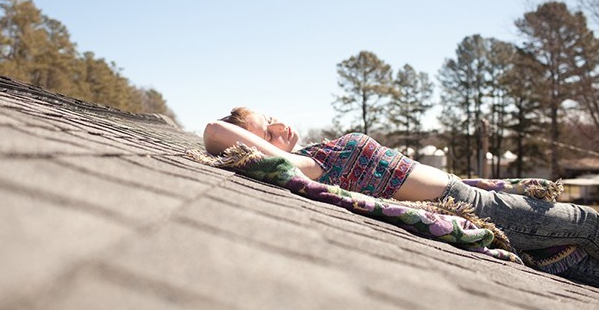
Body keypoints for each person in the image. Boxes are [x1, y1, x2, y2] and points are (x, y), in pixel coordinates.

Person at [204, 107, 599, 287]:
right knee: (588, 223)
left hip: (469, 194)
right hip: (479, 209)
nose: (279, 123)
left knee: (579, 262)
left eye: (271, 114)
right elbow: (213, 131)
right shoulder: (306, 166)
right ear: (255, 144)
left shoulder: (313, 154)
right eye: (265, 128)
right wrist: (264, 145)